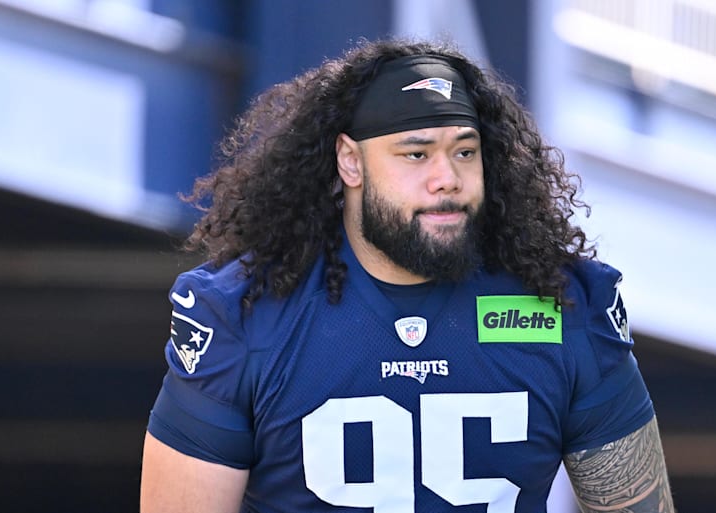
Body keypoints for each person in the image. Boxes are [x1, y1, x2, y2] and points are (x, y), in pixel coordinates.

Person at [140, 38, 674, 513]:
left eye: (465, 152)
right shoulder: (244, 314)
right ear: (350, 162)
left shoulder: (562, 305)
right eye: (416, 154)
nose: (447, 178)